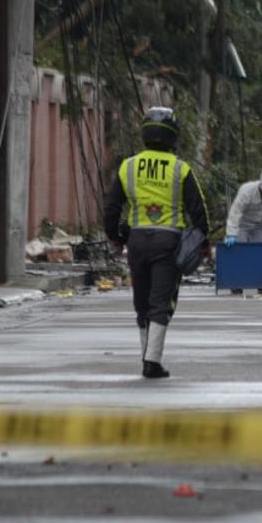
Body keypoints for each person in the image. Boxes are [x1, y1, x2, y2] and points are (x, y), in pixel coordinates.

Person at [103, 107, 211, 379]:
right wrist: (203, 240)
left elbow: (112, 207)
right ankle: (152, 362)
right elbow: (199, 209)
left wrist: (114, 236)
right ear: (173, 136)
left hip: (137, 241)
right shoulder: (180, 168)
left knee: (142, 302)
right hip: (168, 241)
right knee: (160, 302)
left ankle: (146, 357)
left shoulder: (128, 166)